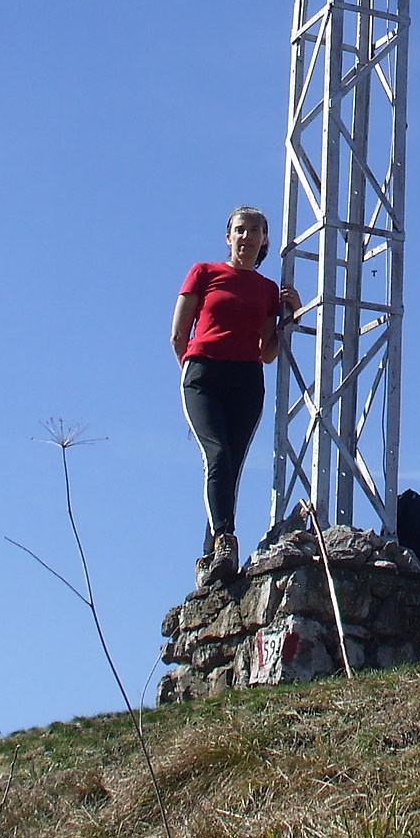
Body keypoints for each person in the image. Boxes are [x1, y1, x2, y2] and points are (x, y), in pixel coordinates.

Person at [172, 206, 300, 585]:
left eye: (255, 231)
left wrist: (291, 314)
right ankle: (226, 540)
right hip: (204, 374)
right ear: (229, 237)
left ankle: (209, 558)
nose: (246, 237)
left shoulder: (266, 290)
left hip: (247, 378)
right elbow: (178, 334)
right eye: (240, 230)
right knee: (217, 454)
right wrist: (194, 369)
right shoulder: (204, 273)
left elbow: (267, 350)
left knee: (232, 467)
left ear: (264, 240)